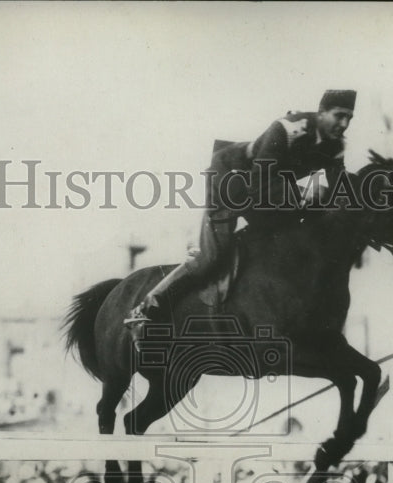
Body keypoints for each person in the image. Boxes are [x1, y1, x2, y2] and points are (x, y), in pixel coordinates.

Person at [125, 90, 356, 327]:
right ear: (321, 112)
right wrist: (304, 193)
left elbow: (340, 186)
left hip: (265, 190)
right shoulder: (288, 128)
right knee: (212, 256)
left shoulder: (335, 145)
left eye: (349, 118)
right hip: (230, 180)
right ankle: (147, 308)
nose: (344, 124)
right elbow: (259, 187)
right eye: (339, 116)